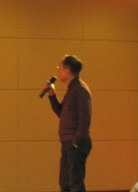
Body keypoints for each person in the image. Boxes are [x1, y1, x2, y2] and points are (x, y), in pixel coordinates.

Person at [46, 54, 92, 192]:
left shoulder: (80, 89)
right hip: (68, 142)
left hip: (75, 143)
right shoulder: (72, 89)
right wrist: (52, 95)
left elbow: (85, 118)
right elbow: (62, 113)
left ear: (67, 70)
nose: (58, 70)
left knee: (74, 184)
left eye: (60, 67)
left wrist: (76, 141)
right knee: (65, 183)